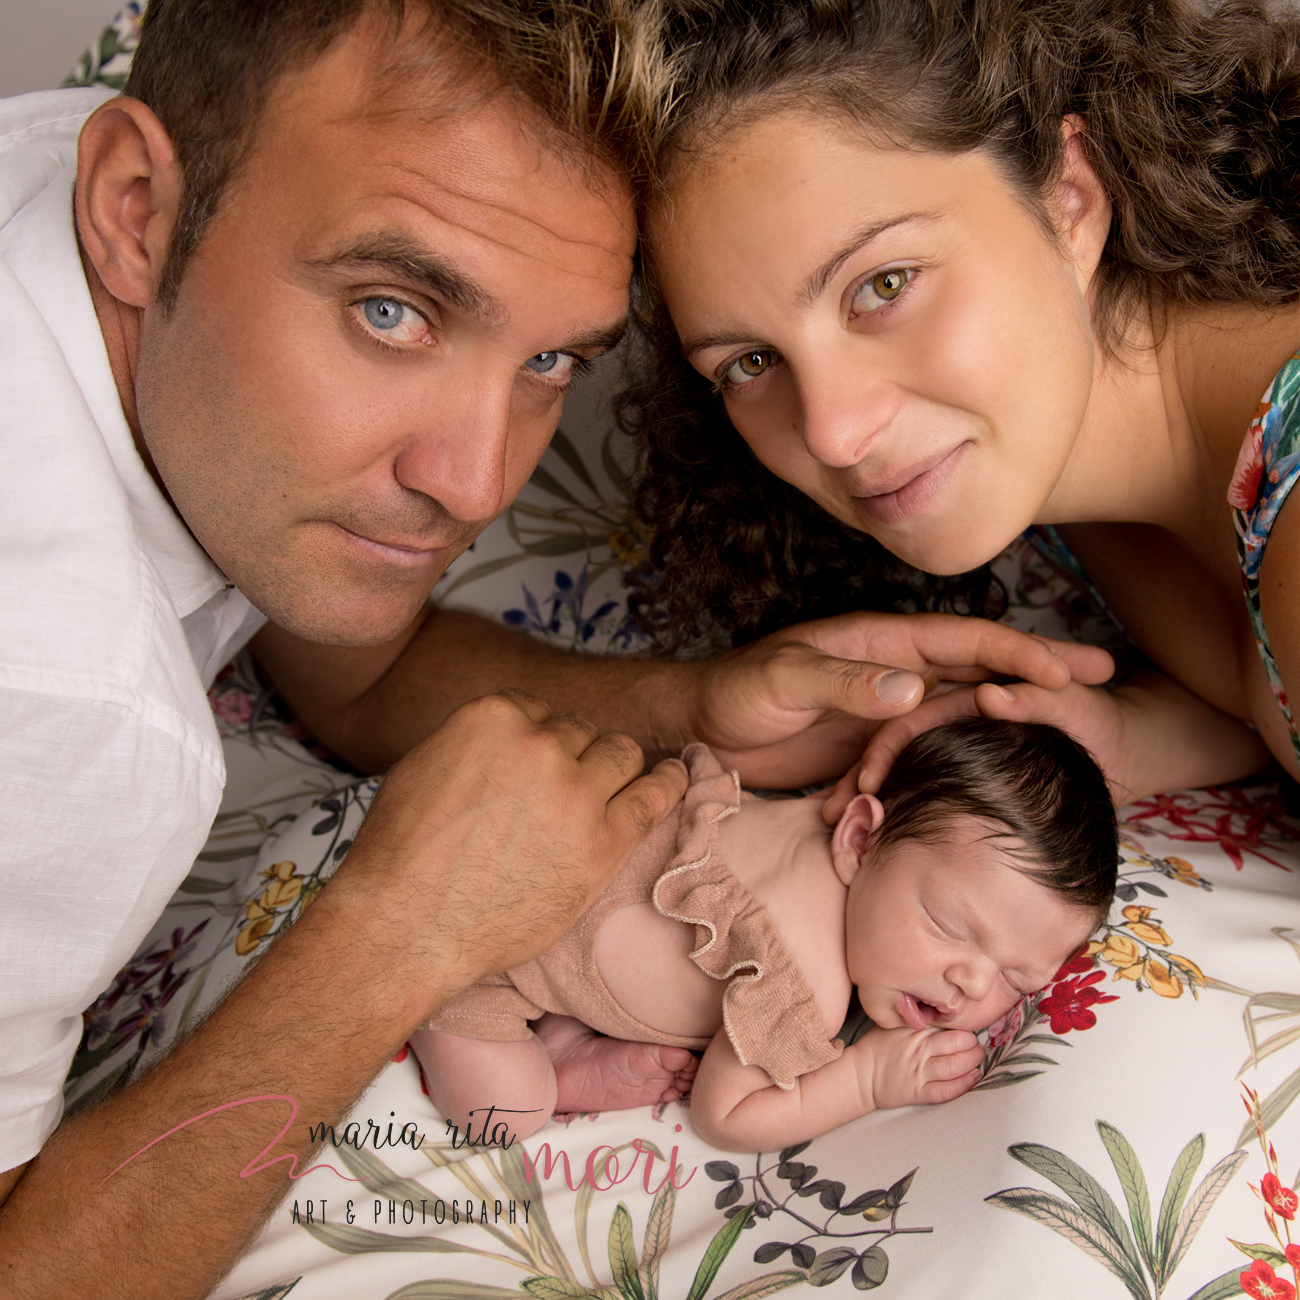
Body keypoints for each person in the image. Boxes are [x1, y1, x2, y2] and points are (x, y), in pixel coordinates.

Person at [0, 2, 1105, 1295]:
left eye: (553, 362)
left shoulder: (76, 193)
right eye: (392, 311)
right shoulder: (69, 704)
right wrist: (398, 937)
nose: (475, 483)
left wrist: (696, 705)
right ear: (134, 207)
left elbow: (346, 662)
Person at [626, 0, 1300, 816]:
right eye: (751, 363)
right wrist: (1124, 732)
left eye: (883, 285)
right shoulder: (1064, 454)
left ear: (1069, 197)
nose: (834, 433)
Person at [410, 718, 1116, 1152]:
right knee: (505, 1113)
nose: (972, 983)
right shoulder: (804, 975)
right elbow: (729, 1114)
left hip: (531, 833)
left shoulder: (812, 812)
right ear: (861, 838)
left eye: (1018, 979)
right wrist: (866, 1081)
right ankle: (475, 1029)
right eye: (951, 927)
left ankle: (568, 1035)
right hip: (479, 939)